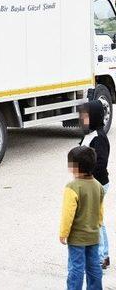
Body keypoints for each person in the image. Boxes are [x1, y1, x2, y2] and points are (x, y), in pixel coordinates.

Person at [60, 145, 104, 289]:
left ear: (76, 167)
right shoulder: (98, 186)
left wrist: (63, 233)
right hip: (93, 235)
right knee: (94, 267)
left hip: (77, 237)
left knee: (76, 268)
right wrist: (97, 225)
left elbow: (68, 214)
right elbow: (100, 210)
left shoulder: (72, 187)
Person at [79, 100, 111, 269]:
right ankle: (99, 254)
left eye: (85, 116)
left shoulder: (99, 138)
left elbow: (101, 163)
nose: (82, 119)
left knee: (95, 220)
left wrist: (87, 177)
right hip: (88, 184)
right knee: (94, 219)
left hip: (97, 184)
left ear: (94, 117)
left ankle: (102, 256)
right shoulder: (88, 135)